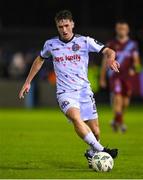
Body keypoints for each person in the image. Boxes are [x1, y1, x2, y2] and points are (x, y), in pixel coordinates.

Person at [19, 10, 119, 168]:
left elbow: (108, 50)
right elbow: (39, 60)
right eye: (60, 27)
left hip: (84, 91)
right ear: (57, 27)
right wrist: (27, 82)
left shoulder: (85, 41)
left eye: (66, 25)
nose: (64, 29)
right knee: (76, 118)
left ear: (72, 24)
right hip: (65, 93)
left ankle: (92, 153)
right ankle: (103, 151)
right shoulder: (50, 44)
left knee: (96, 131)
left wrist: (111, 59)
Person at [100, 20, 141, 132]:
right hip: (115, 75)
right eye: (119, 28)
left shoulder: (133, 45)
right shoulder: (111, 44)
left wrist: (135, 68)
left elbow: (136, 60)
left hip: (128, 76)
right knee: (118, 99)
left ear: (127, 30)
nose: (121, 30)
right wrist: (102, 77)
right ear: (116, 30)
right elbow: (105, 62)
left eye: (123, 28)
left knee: (125, 102)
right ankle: (121, 124)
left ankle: (115, 121)